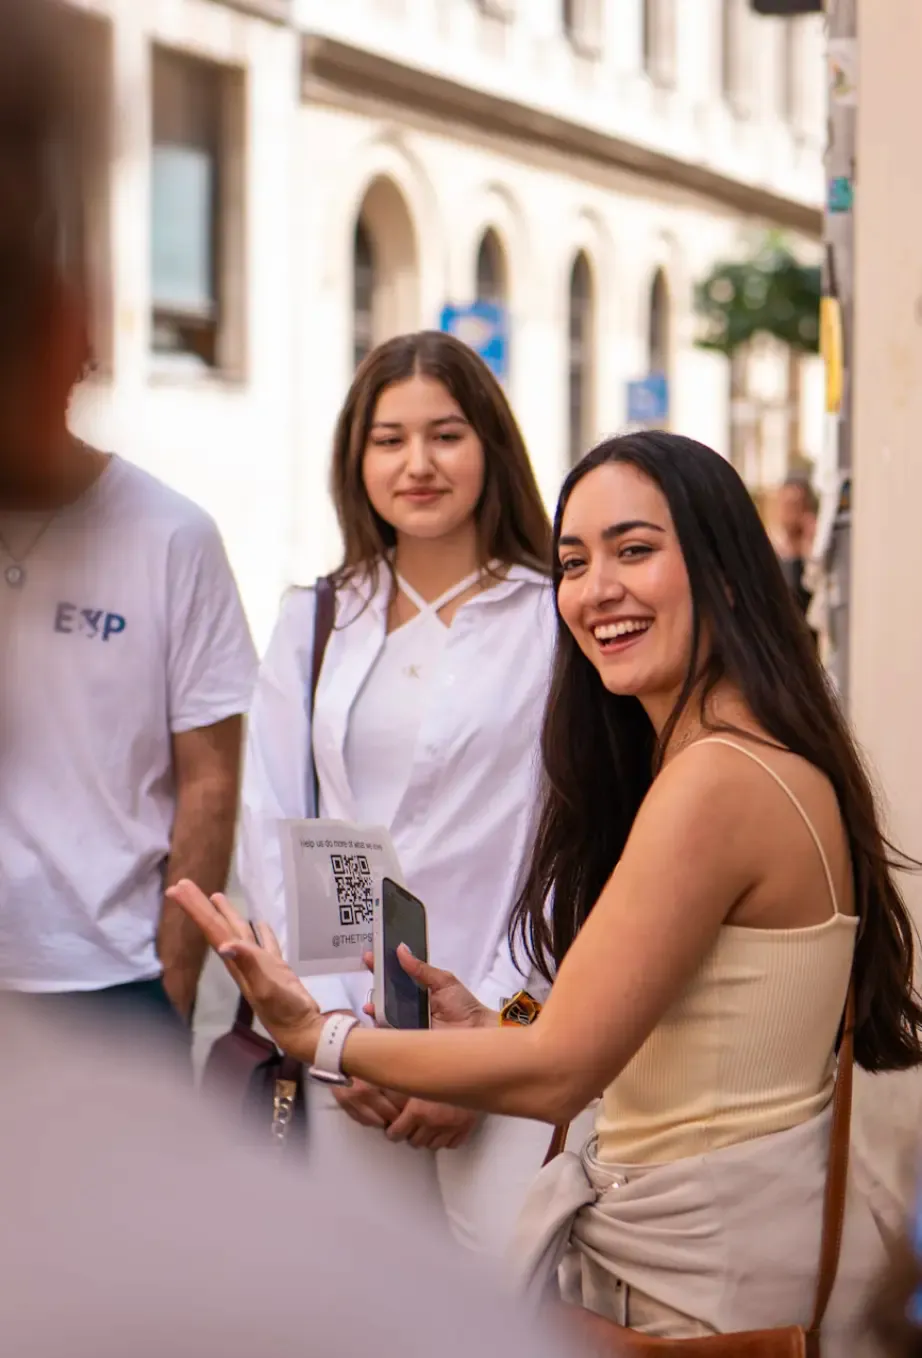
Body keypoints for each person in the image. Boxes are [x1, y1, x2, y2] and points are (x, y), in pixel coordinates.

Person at [175, 429, 922, 1350]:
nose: (596, 587)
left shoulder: (717, 779)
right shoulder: (730, 757)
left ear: (726, 573)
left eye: (635, 550)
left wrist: (318, 1035)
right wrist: (491, 1027)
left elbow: (563, 1067)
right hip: (706, 1258)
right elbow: (675, 1040)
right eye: (574, 561)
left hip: (699, 1286)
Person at [236, 329, 574, 1254]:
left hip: (514, 1036)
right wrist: (337, 1026)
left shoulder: (558, 620)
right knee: (365, 1317)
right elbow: (277, 830)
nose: (416, 464)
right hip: (354, 1050)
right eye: (389, 439)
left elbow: (576, 843)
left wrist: (500, 1033)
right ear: (357, 457)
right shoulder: (314, 620)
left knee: (514, 1319)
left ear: (491, 448)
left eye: (446, 434)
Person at [0, 0, 257, 1040]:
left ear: (74, 336)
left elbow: (211, 776)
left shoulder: (171, 535)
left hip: (109, 983)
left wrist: (173, 971)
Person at [772, 472, 819, 620]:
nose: (790, 513)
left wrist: (810, 550)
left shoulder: (814, 548)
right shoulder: (771, 548)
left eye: (796, 506)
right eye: (786, 505)